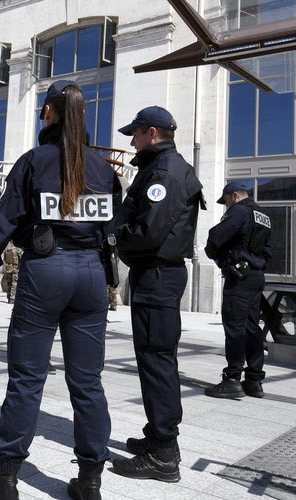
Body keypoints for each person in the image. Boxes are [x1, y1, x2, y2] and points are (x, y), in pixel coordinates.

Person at [0, 80, 122, 500]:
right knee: (88, 382)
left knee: (27, 378)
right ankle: (90, 480)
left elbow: (2, 225)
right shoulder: (104, 169)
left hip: (45, 271)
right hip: (90, 273)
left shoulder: (34, 161)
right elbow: (114, 231)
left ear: (51, 112)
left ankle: (4, 477)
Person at [112, 106, 205, 483]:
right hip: (157, 275)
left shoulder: (164, 172)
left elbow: (149, 230)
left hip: (158, 275)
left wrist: (115, 237)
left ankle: (165, 452)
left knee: (156, 360)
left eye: (134, 133)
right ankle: (158, 436)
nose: (131, 140)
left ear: (151, 132)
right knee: (155, 358)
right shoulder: (163, 167)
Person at [204, 182, 272, 398]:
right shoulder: (263, 215)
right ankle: (253, 380)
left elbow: (216, 238)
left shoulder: (239, 211)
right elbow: (269, 250)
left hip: (239, 277)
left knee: (235, 326)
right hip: (256, 276)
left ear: (234, 196)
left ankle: (232, 379)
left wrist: (219, 256)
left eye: (226, 201)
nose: (225, 206)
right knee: (253, 327)